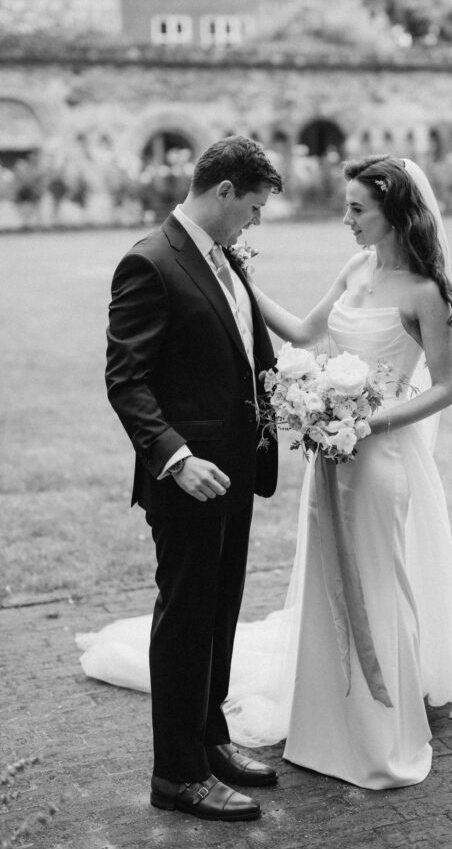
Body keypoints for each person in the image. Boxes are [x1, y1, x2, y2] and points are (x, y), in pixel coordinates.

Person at [80, 154, 452, 791]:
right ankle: (315, 732)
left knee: (374, 583)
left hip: (374, 456)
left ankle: (374, 729)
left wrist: (365, 423)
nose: (344, 218)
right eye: (346, 206)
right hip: (325, 456)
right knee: (320, 587)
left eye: (356, 209)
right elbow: (298, 330)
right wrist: (231, 275)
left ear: (395, 212)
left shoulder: (424, 291)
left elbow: (447, 386)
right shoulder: (351, 268)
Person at [101, 136, 283, 822]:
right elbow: (127, 381)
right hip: (188, 480)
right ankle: (177, 776)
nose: (255, 223)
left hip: (235, 472)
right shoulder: (149, 262)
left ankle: (210, 741)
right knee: (185, 622)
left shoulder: (224, 257)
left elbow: (240, 354)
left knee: (219, 614)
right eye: (254, 208)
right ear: (224, 191)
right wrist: (176, 456)